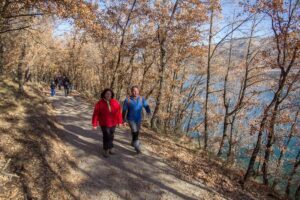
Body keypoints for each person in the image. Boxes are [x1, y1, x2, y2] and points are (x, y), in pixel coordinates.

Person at [92, 89, 123, 157]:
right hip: (104, 123)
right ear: (104, 94)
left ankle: (110, 147)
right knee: (106, 135)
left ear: (112, 95)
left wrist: (120, 122)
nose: (108, 95)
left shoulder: (115, 102)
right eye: (107, 93)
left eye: (110, 94)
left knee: (111, 135)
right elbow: (96, 114)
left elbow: (119, 113)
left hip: (113, 123)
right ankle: (106, 149)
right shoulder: (99, 103)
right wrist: (94, 124)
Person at [122, 86, 151, 154]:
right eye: (133, 91)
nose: (135, 92)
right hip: (130, 119)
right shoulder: (128, 100)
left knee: (136, 131)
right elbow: (124, 110)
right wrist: (124, 120)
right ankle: (137, 147)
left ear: (138, 91)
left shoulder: (141, 99)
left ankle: (133, 142)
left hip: (138, 119)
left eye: (136, 91)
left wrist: (148, 111)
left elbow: (146, 106)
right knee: (134, 131)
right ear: (131, 92)